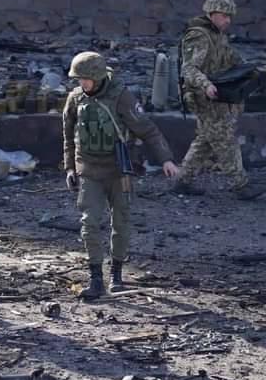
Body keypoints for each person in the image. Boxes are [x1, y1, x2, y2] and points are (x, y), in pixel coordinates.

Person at [63, 51, 179, 300]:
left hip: (119, 171)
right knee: (89, 223)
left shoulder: (121, 97)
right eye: (78, 79)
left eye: (85, 78)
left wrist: (166, 159)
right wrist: (70, 168)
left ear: (97, 77)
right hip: (89, 170)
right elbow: (69, 137)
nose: (81, 83)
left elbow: (147, 129)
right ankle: (96, 278)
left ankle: (116, 274)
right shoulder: (75, 100)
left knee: (121, 222)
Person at [172, 0, 266, 200]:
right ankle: (241, 185)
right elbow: (189, 69)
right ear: (212, 13)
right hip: (204, 96)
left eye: (230, 16)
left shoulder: (217, 35)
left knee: (205, 140)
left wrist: (250, 69)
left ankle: (182, 181)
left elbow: (231, 57)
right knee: (225, 139)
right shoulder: (199, 36)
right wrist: (205, 84)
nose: (228, 20)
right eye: (224, 15)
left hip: (217, 94)